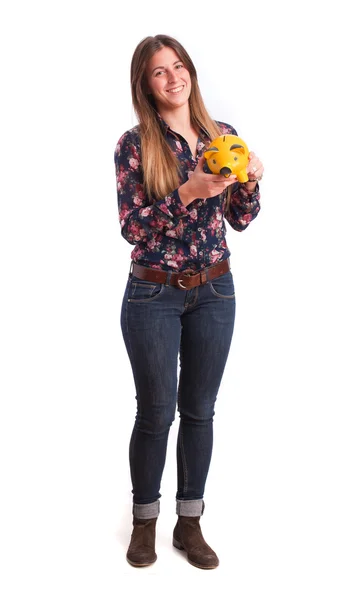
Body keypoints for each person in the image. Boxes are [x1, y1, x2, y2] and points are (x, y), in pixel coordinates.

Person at [114, 34, 263, 570]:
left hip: (215, 291)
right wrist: (188, 193)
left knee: (199, 412)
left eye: (179, 66)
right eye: (159, 71)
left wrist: (251, 180)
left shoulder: (223, 136)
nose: (173, 77)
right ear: (146, 84)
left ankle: (190, 523)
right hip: (152, 293)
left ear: (191, 72)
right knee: (156, 413)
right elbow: (133, 229)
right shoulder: (134, 145)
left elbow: (241, 219)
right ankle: (144, 522)